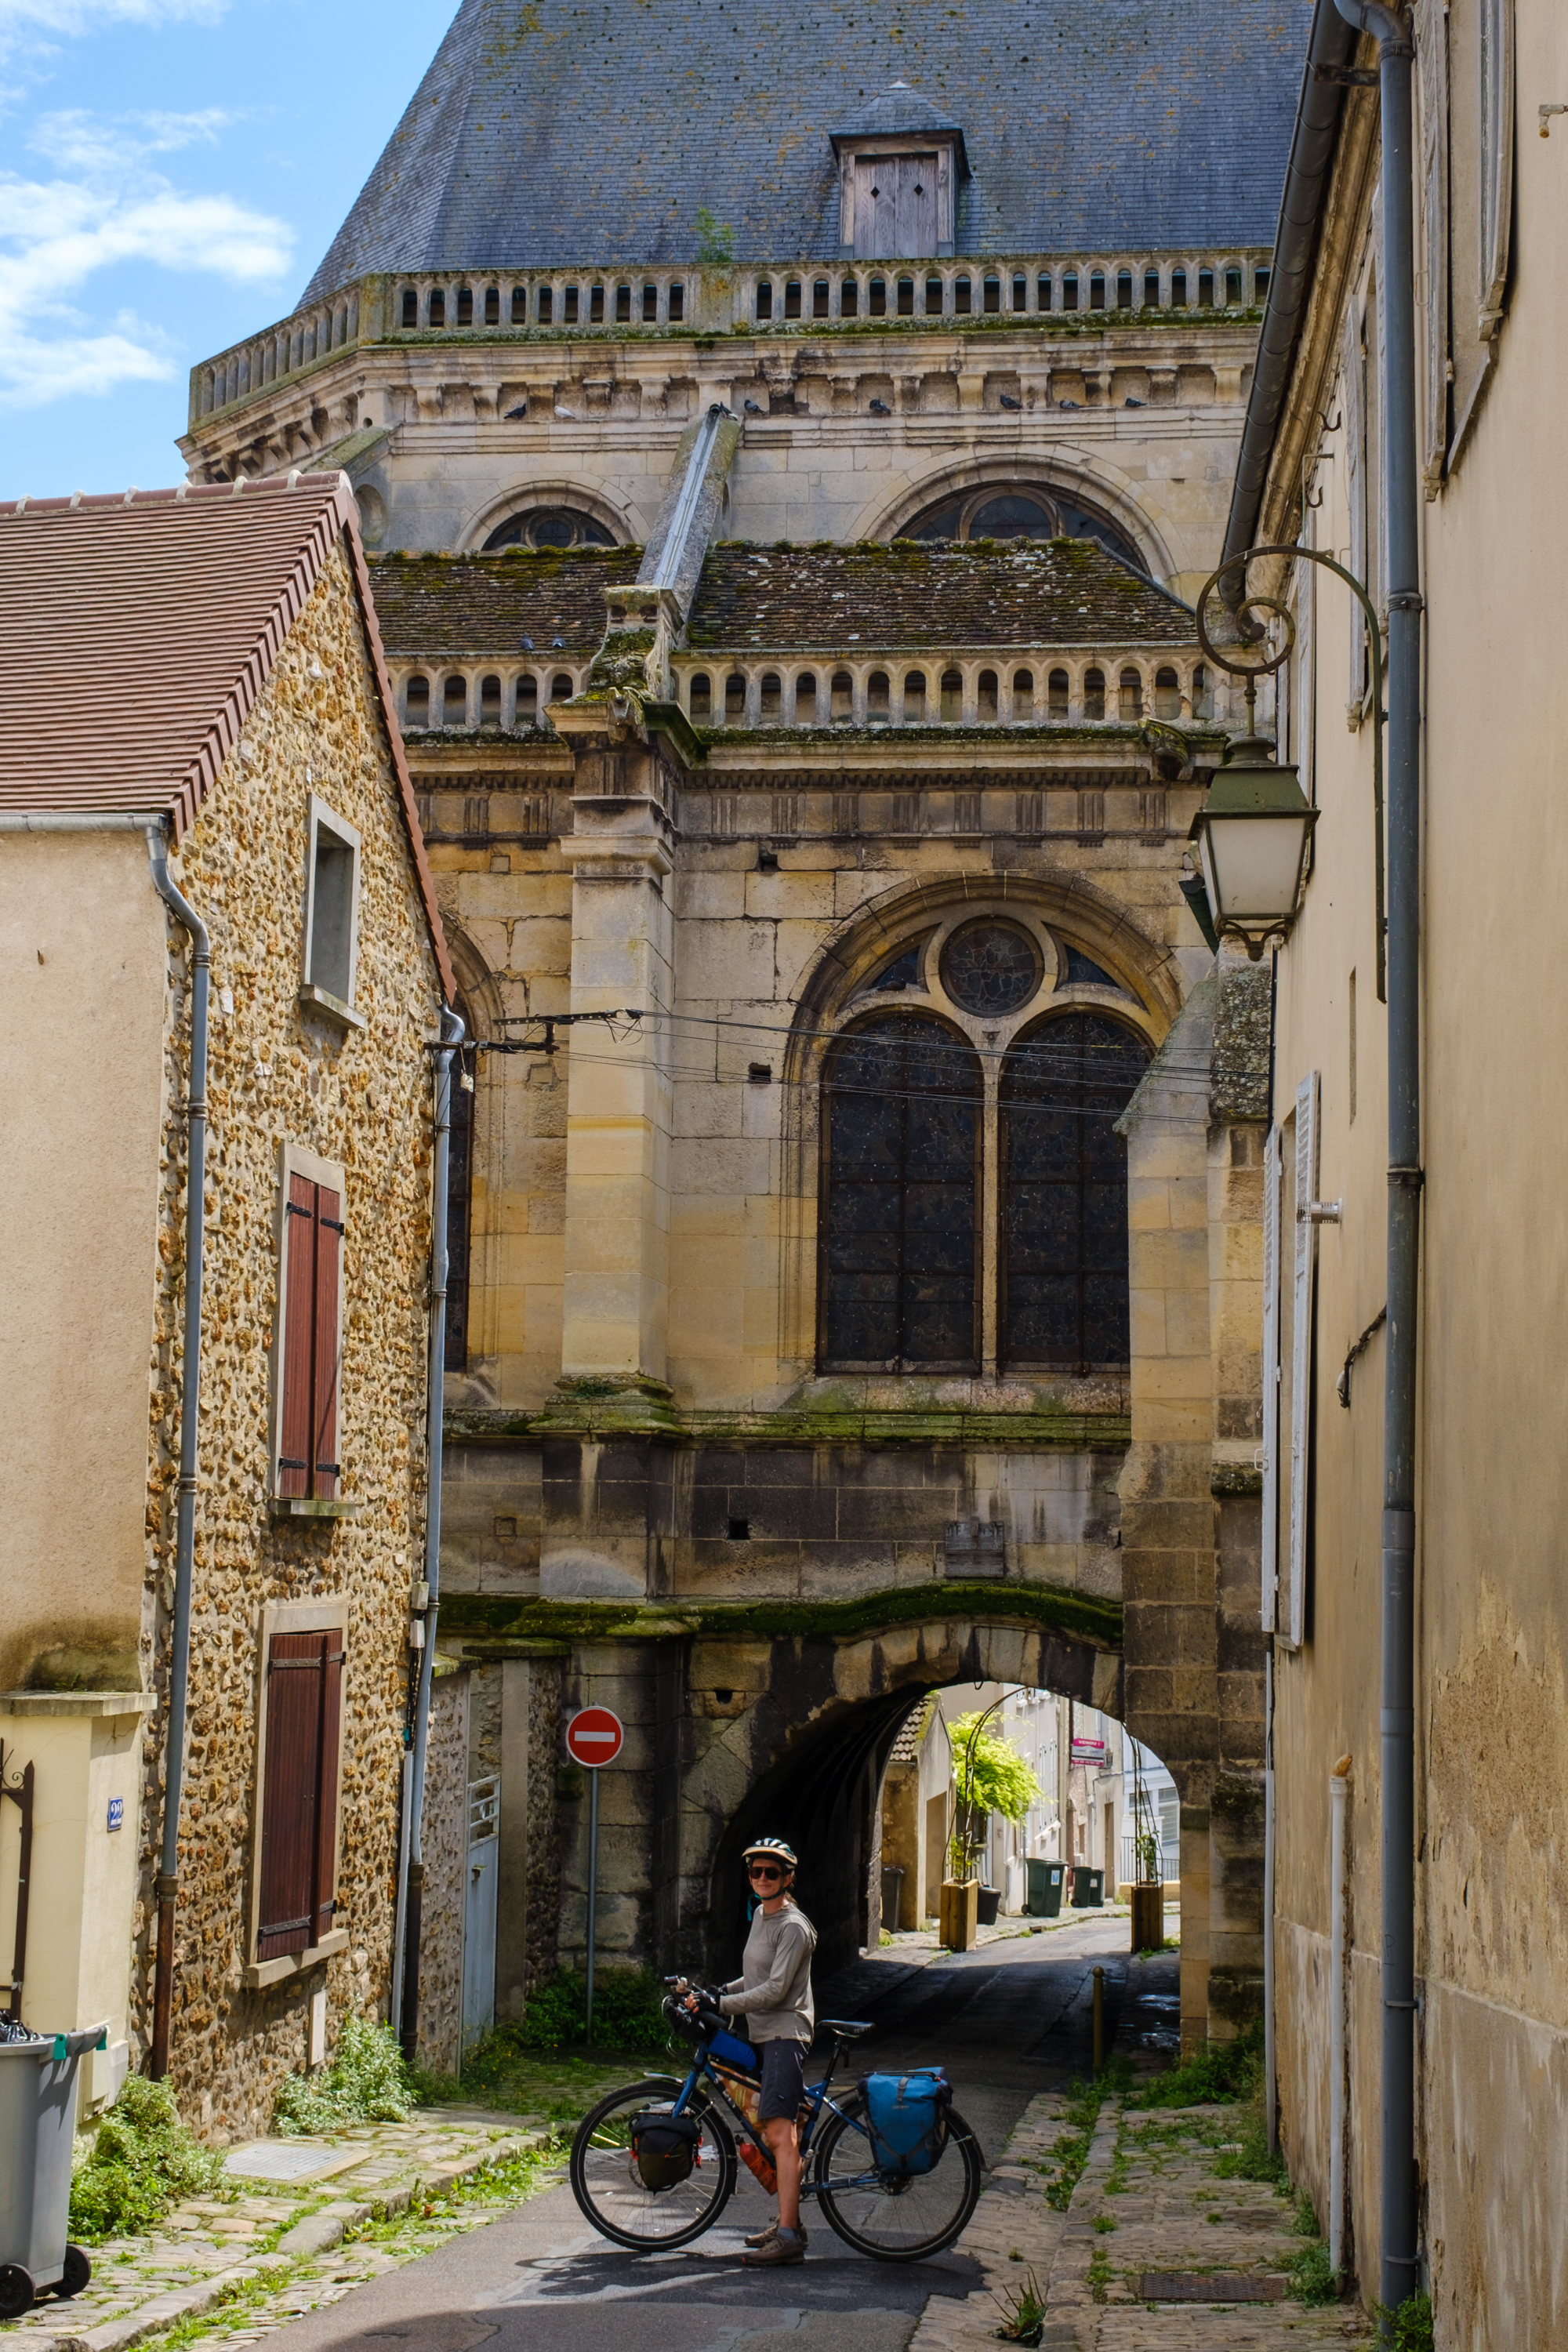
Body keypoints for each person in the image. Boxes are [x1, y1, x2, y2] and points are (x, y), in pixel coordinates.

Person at [701, 1836, 818, 2267]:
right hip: (764, 2034)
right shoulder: (760, 1917)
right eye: (756, 1872)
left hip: (785, 2034)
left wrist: (721, 2005)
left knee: (779, 2134)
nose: (763, 1878)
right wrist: (716, 1991)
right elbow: (753, 1978)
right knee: (780, 2131)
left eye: (772, 1872)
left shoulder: (793, 1926)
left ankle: (788, 2237)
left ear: (788, 1878)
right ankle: (789, 2221)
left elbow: (775, 1990)